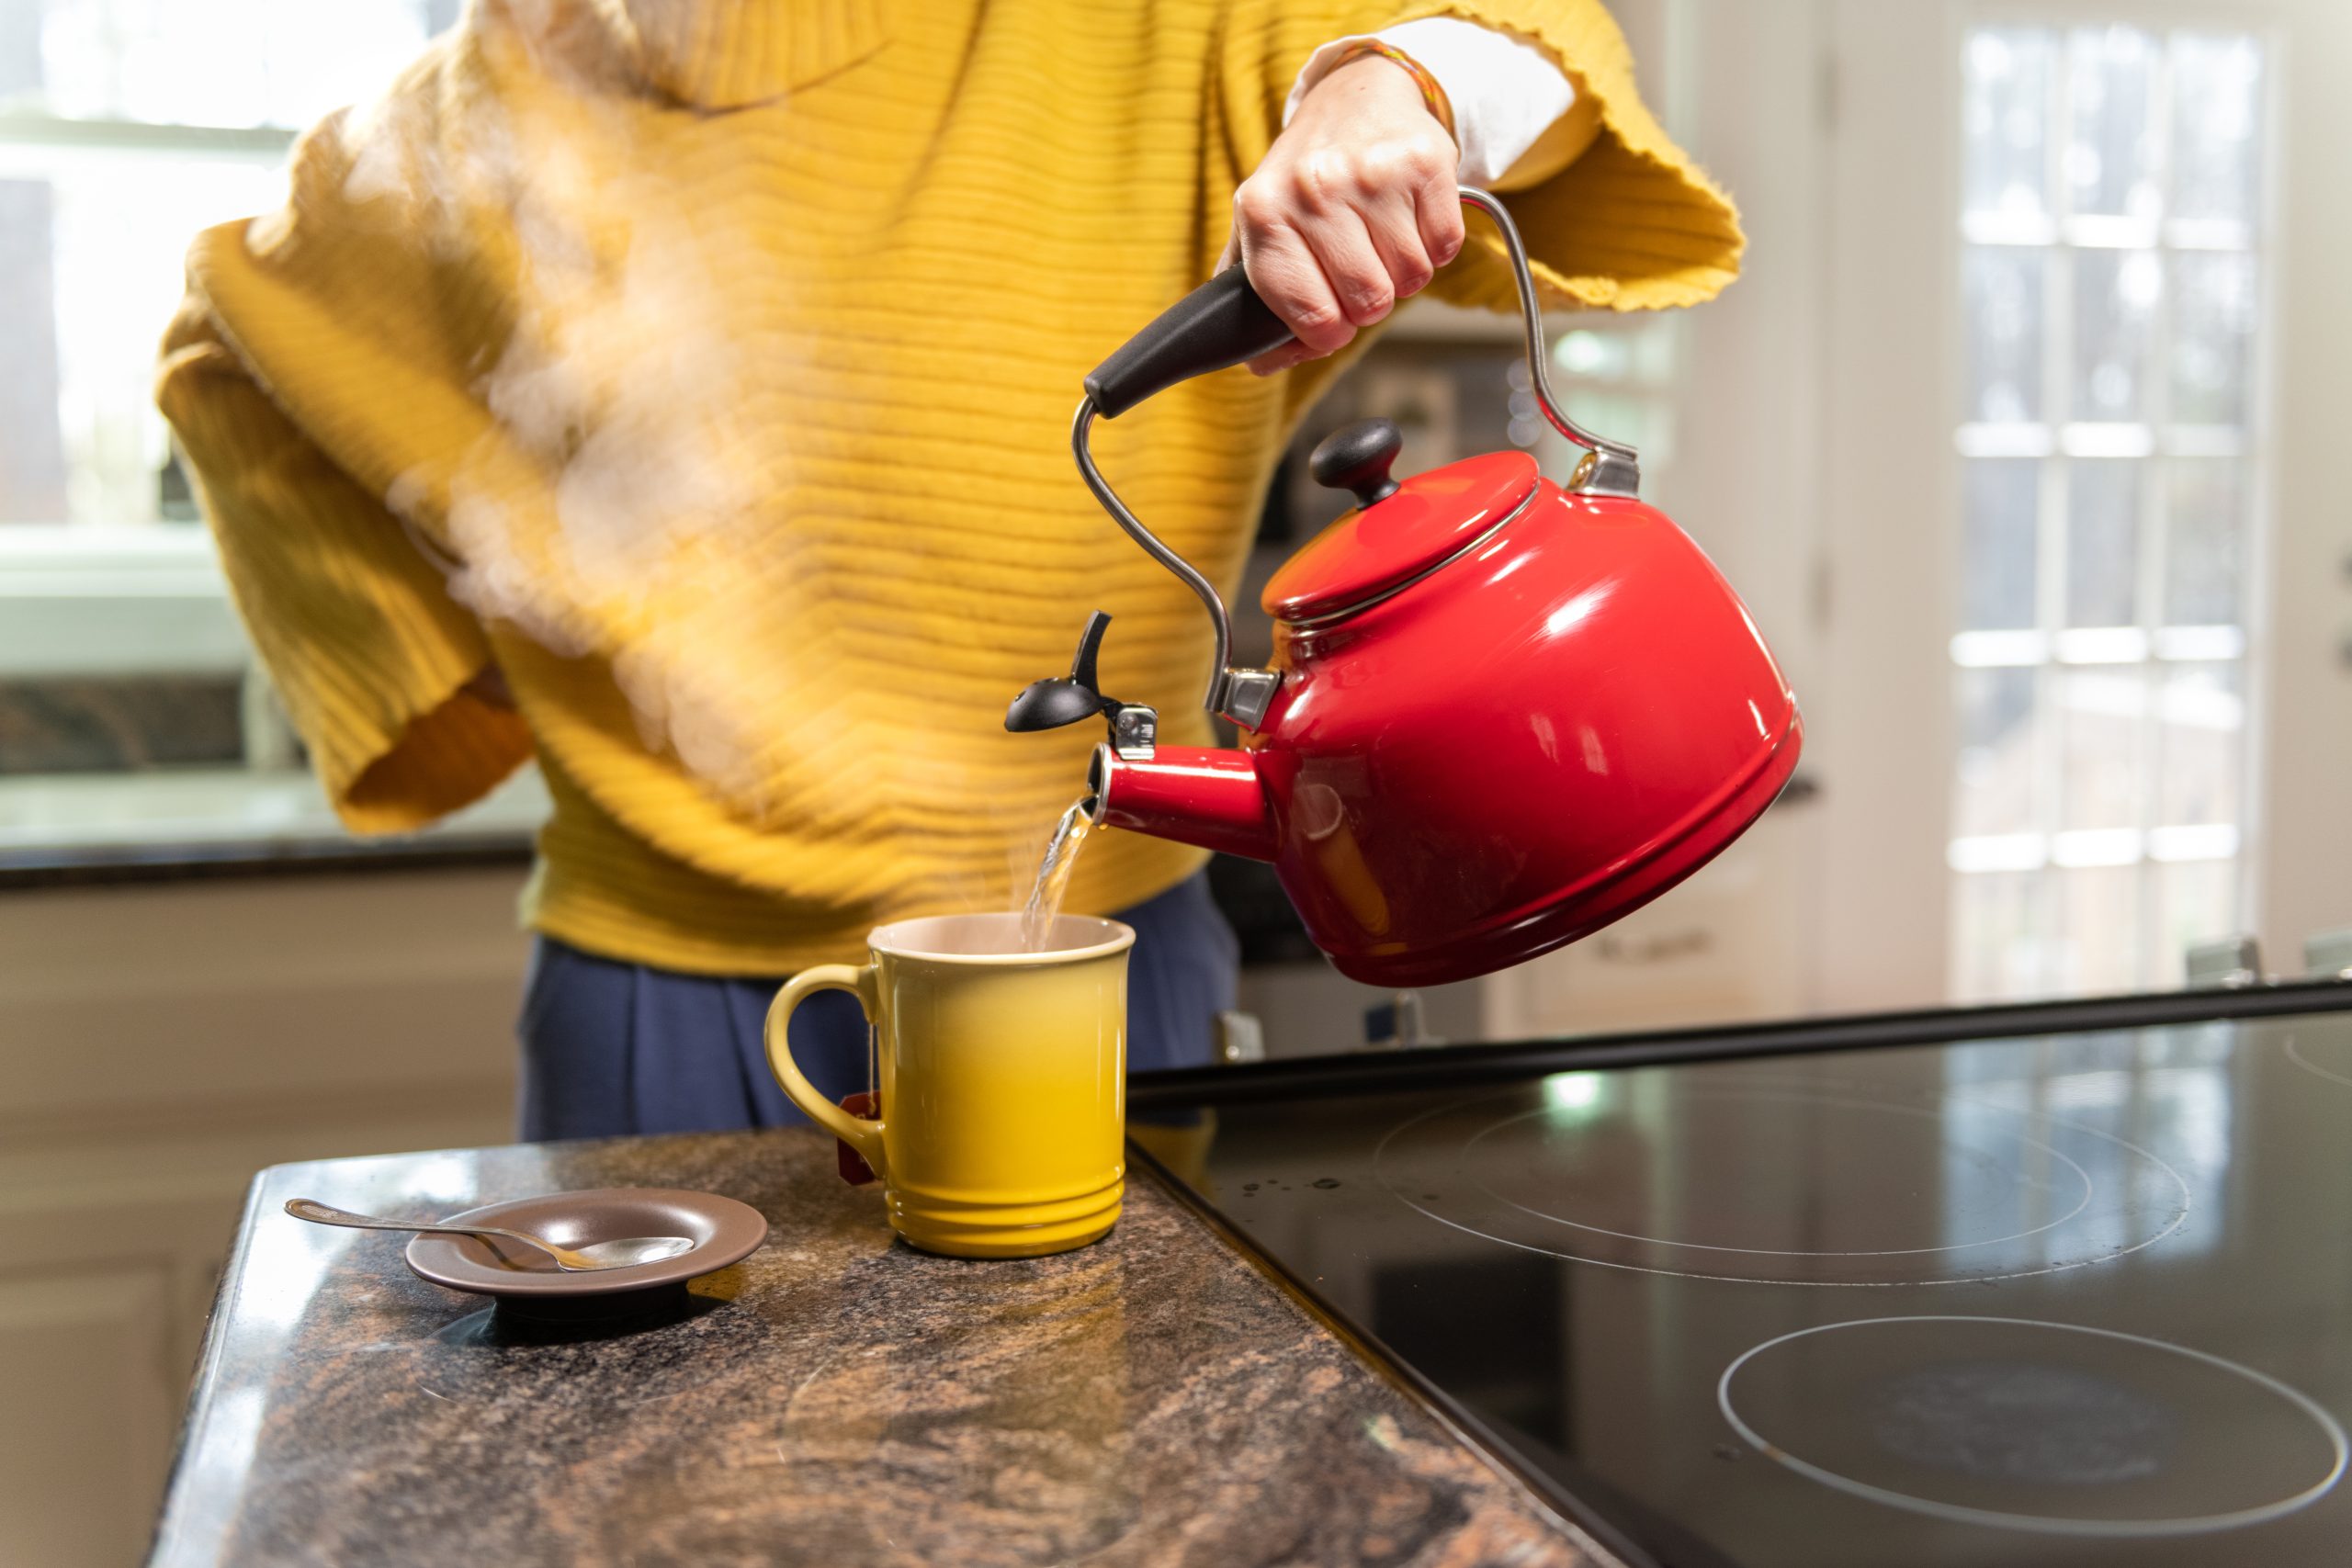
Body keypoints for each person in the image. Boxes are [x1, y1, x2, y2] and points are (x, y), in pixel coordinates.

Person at [158, 0, 1739, 1142]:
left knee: (1107, 1464)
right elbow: (222, 345)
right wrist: (483, 648)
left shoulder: (1146, 27)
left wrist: (1387, 101)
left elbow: (1522, 41)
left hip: (1106, 963)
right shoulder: (464, 124)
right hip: (661, 988)